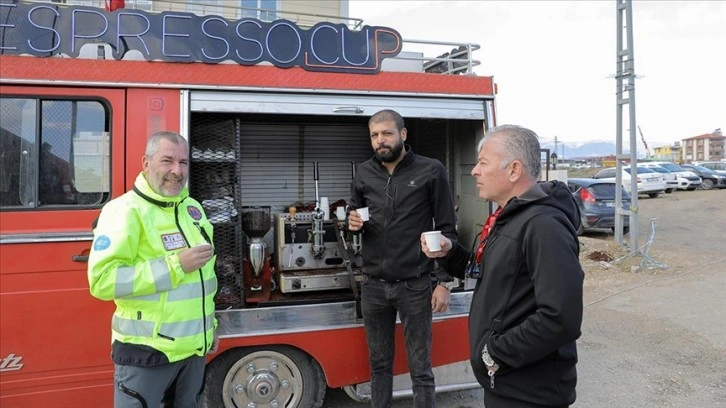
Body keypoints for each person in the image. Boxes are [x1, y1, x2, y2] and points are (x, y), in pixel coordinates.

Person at [421, 125, 584, 408]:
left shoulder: (543, 225)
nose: (474, 171)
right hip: (507, 384)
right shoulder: (508, 217)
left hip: (530, 394)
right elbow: (489, 272)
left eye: (483, 163)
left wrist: (493, 355)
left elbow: (561, 317)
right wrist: (450, 254)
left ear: (513, 170)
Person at [87, 131, 219, 408]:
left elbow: (204, 281)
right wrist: (175, 266)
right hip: (147, 353)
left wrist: (210, 328)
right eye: (167, 161)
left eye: (183, 163)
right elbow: (102, 281)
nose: (177, 171)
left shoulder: (193, 209)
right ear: (146, 163)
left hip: (194, 350)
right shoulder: (123, 211)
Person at [347, 109, 458, 407]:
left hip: (415, 286)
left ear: (403, 134)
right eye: (374, 135)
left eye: (387, 133)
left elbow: (448, 230)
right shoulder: (363, 172)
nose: (380, 141)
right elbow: (354, 214)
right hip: (373, 286)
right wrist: (352, 222)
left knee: (420, 369)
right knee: (379, 367)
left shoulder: (431, 170)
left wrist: (444, 282)